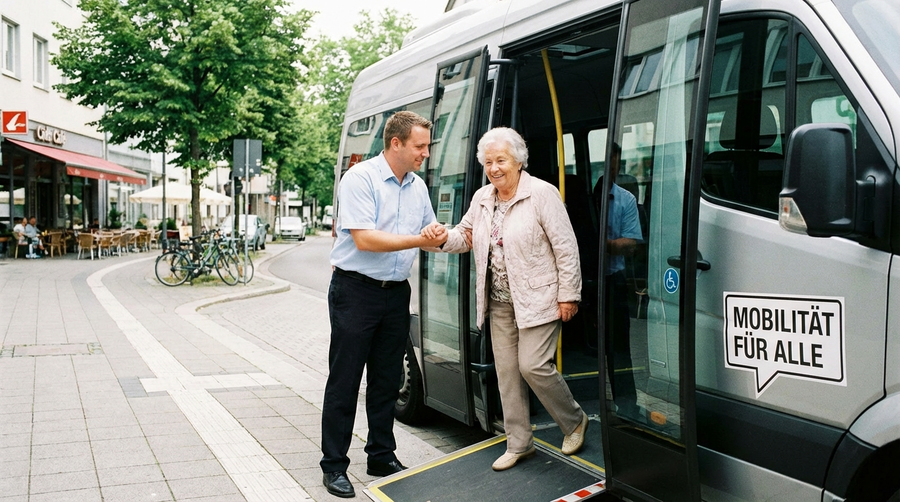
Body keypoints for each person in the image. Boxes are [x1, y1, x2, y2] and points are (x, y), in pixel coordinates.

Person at [426, 127, 586, 471]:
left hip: (539, 297)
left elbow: (566, 247)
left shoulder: (542, 194)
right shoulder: (483, 197)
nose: (494, 168)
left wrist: (569, 295)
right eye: (488, 162)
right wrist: (442, 238)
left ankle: (573, 421)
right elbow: (465, 236)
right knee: (508, 373)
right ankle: (519, 443)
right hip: (498, 302)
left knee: (533, 365)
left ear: (518, 160)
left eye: (501, 160)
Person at [320, 110, 447, 498]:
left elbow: (430, 230)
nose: (426, 153)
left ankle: (380, 455)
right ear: (396, 144)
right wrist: (418, 239)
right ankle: (334, 467)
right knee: (345, 380)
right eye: (420, 146)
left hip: (395, 291)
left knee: (387, 379)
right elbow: (366, 240)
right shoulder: (360, 178)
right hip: (355, 291)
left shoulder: (418, 186)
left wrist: (439, 232)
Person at [593, 142, 643, 418]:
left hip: (613, 279)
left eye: (616, 162)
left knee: (619, 347)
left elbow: (632, 242)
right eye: (609, 163)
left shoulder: (625, 199)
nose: (613, 168)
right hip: (585, 278)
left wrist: (606, 245)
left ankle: (626, 404)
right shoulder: (583, 196)